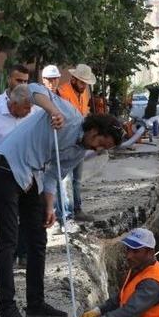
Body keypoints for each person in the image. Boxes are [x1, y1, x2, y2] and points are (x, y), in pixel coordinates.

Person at [0, 82, 124, 317]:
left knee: (38, 239)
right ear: (94, 129)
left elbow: (53, 175)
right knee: (8, 240)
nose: (98, 149)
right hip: (6, 168)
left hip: (30, 177)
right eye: (101, 142)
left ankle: (35, 304)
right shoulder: (68, 115)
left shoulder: (78, 153)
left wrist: (49, 206)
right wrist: (53, 111)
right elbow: (32, 89)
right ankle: (6, 307)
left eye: (104, 148)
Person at [0, 83, 36, 269]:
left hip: (26, 171)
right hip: (2, 172)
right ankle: (8, 258)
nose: (29, 111)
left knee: (26, 216)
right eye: (25, 108)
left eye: (30, 107)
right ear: (13, 104)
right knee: (7, 220)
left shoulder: (32, 114)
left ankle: (24, 254)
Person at [57, 64, 97, 223]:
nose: (84, 86)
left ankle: (77, 209)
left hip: (81, 140)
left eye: (86, 83)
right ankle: (67, 214)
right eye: (81, 82)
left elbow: (84, 112)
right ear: (73, 79)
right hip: (67, 141)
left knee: (77, 179)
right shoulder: (61, 92)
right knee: (66, 179)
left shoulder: (84, 92)